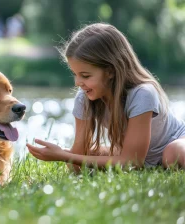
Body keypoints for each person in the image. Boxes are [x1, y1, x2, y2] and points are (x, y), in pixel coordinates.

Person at [27, 23, 185, 170]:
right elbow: (76, 164)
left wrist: (65, 156)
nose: (77, 83)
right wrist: (66, 155)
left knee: (172, 153)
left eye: (85, 76)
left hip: (174, 143)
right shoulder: (84, 98)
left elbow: (132, 162)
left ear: (110, 71)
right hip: (141, 155)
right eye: (75, 74)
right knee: (88, 153)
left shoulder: (143, 94)